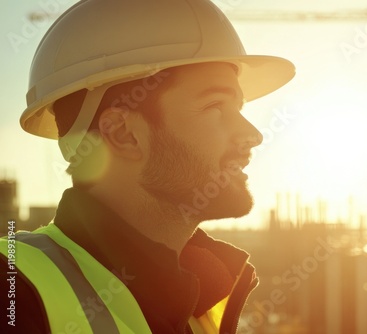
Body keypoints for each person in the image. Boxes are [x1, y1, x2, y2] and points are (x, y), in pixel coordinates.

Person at [0, 0, 295, 333]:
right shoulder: (12, 292)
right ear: (125, 134)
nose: (252, 135)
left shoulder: (202, 301)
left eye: (238, 108)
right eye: (215, 107)